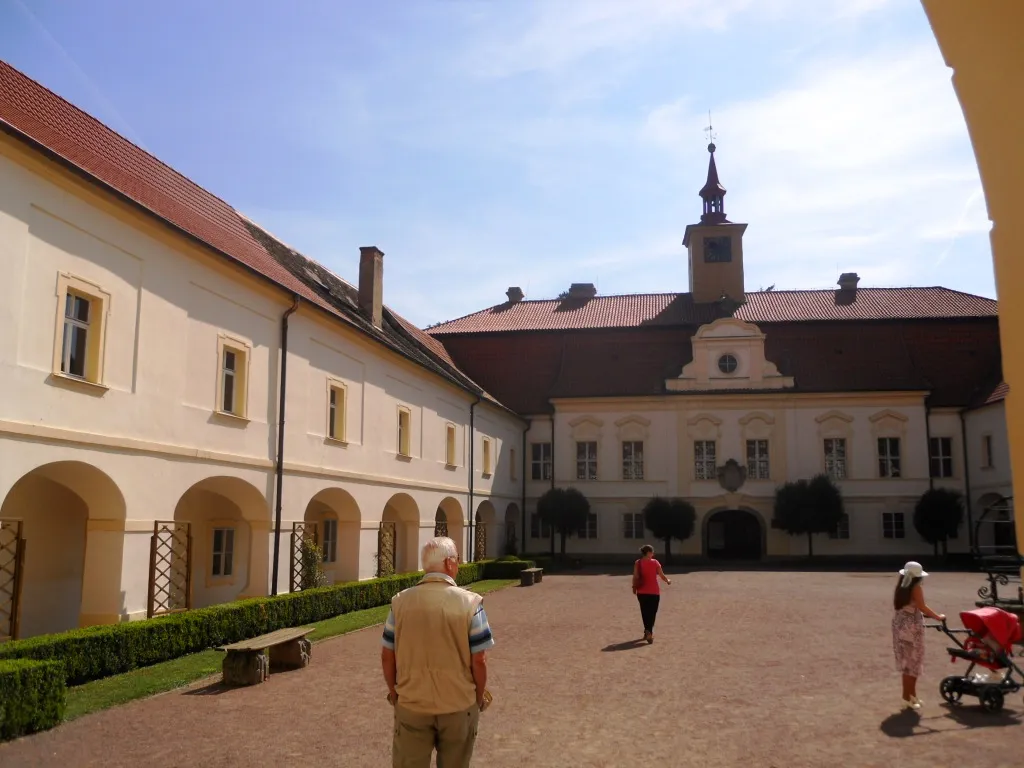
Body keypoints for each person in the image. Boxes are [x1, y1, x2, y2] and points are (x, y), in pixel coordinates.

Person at [381, 537, 494, 767]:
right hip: (458, 705)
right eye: (458, 560)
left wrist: (394, 692)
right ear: (450, 562)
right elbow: (479, 660)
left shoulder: (400, 602)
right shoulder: (471, 603)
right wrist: (478, 697)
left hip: (412, 702)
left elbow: (387, 655)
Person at [892, 560, 944, 710]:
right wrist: (938, 617)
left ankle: (911, 695)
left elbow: (910, 606)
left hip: (901, 624)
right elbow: (922, 606)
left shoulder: (902, 587)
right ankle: (907, 697)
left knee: (908, 663)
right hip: (912, 627)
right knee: (913, 662)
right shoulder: (916, 587)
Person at [632, 544, 671, 643]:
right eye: (652, 552)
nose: (653, 554)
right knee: (652, 612)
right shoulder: (655, 562)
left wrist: (634, 587)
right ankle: (649, 631)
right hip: (654, 592)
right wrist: (667, 580)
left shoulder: (638, 562)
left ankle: (647, 631)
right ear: (649, 552)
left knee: (644, 612)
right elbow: (661, 575)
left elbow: (635, 576)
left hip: (641, 591)